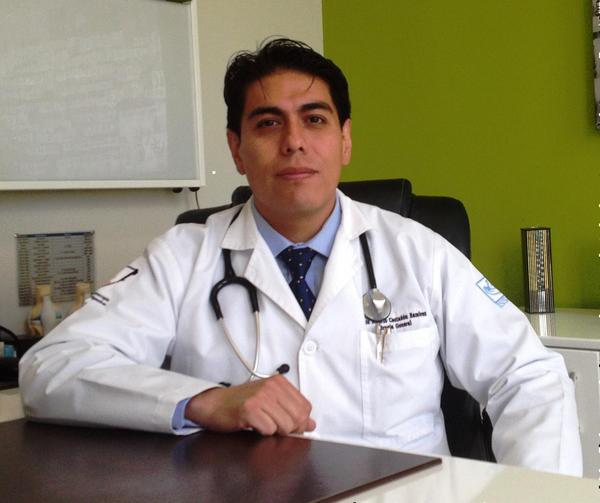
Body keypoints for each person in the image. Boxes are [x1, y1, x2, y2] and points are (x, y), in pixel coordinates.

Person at [19, 38, 581, 476]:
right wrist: (204, 401)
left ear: (345, 140)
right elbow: (51, 367)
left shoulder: (418, 250)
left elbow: (529, 375)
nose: (293, 141)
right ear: (237, 149)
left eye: (314, 119)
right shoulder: (183, 256)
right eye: (268, 123)